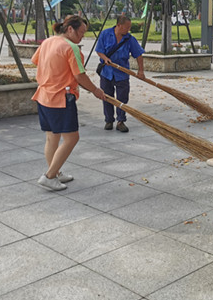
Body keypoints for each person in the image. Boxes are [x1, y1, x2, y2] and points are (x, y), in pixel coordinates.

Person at [32, 15, 106, 191]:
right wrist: (95, 90)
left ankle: (55, 172)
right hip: (61, 98)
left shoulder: (47, 42)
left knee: (52, 137)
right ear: (70, 29)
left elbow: (36, 61)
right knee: (72, 138)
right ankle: (49, 176)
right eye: (81, 32)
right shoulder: (71, 48)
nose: (82, 37)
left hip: (43, 96)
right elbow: (79, 76)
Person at [96, 15, 145, 133]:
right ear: (119, 25)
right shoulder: (105, 34)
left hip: (122, 73)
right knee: (107, 97)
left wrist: (141, 71)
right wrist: (105, 58)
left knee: (122, 98)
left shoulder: (129, 39)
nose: (129, 29)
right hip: (106, 72)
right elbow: (99, 50)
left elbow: (138, 55)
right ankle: (109, 120)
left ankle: (121, 121)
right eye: (127, 27)